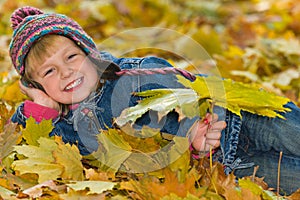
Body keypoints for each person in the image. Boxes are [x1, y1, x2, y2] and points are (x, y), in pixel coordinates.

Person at [9, 6, 300, 195]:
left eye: (71, 57)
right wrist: (40, 106)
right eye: (49, 72)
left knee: (292, 131)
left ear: (90, 54)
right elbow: (23, 142)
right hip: (227, 165)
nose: (66, 72)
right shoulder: (69, 128)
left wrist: (191, 124)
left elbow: (176, 83)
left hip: (237, 119)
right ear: (36, 84)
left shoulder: (126, 74)